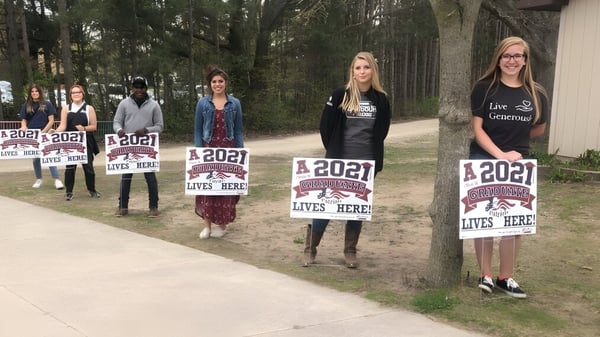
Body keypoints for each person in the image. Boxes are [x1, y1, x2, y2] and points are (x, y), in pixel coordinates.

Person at [470, 36, 548, 298]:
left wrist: (514, 151)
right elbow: (477, 129)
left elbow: (537, 128)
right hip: (484, 159)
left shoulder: (536, 93)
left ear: (525, 60)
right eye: (507, 55)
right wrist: (500, 155)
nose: (512, 60)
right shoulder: (484, 88)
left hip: (519, 163)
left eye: (517, 56)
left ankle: (506, 277)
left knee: (514, 224)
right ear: (498, 59)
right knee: (484, 221)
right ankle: (486, 275)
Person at [303, 51, 391, 268]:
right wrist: (333, 151)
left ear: (373, 71)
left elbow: (383, 130)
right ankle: (310, 248)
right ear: (352, 71)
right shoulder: (340, 94)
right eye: (358, 67)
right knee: (325, 205)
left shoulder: (381, 99)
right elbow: (326, 127)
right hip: (338, 162)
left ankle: (350, 250)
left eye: (366, 67)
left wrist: (371, 159)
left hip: (365, 164)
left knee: (355, 208)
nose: (362, 71)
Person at [194, 66, 244, 239]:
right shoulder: (202, 103)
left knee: (225, 188)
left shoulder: (235, 103)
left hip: (228, 150)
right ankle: (207, 226)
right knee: (208, 188)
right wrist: (199, 153)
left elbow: (238, 130)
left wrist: (240, 154)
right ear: (210, 84)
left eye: (220, 81)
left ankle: (222, 226)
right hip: (208, 149)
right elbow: (198, 130)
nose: (217, 84)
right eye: (214, 81)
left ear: (226, 83)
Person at [113, 76, 164, 217]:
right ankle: (122, 206)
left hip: (146, 147)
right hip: (128, 146)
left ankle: (153, 207)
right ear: (132, 88)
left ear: (146, 88)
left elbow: (160, 126)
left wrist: (147, 130)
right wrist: (119, 131)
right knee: (126, 177)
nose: (139, 90)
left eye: (142, 87)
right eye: (136, 87)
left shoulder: (154, 105)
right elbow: (116, 122)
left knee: (150, 177)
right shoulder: (124, 104)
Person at [51, 84, 101, 200]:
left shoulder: (89, 108)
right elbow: (62, 126)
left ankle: (92, 190)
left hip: (85, 142)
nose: (76, 94)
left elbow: (94, 126)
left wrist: (84, 128)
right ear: (70, 95)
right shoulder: (66, 108)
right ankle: (69, 192)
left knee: (88, 167)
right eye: (74, 92)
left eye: (78, 92)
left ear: (82, 94)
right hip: (70, 142)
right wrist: (55, 131)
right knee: (70, 168)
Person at [19, 84, 64, 190]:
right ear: (30, 93)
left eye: (36, 91)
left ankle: (57, 179)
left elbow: (51, 120)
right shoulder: (26, 105)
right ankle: (39, 179)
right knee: (35, 159)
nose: (34, 93)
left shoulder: (47, 104)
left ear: (39, 92)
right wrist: (24, 127)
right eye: (32, 91)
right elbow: (24, 119)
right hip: (32, 135)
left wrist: (44, 132)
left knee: (49, 156)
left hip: (45, 134)